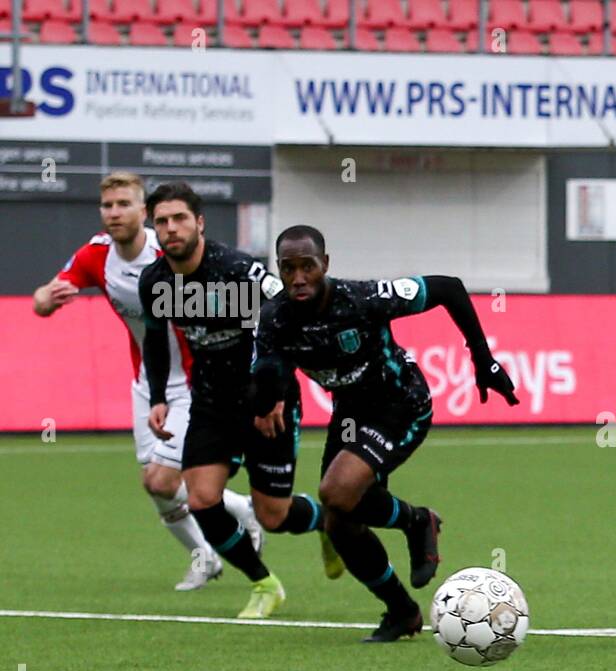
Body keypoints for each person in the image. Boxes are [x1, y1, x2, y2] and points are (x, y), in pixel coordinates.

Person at [250, 225, 519, 642]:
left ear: (326, 264)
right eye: (289, 269)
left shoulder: (362, 299)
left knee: (336, 493)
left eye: (308, 266)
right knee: (340, 523)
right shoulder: (274, 319)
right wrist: (267, 397)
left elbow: (449, 288)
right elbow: (269, 371)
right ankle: (402, 610)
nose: (299, 278)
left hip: (401, 404)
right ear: (279, 270)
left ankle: (415, 521)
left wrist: (483, 361)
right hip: (352, 414)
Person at [31, 171, 261, 591]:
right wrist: (45, 299)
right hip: (149, 383)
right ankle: (214, 543)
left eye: (124, 205)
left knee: (163, 479)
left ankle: (234, 521)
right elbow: (46, 297)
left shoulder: (169, 250)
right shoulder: (96, 255)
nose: (114, 213)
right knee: (158, 487)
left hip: (197, 379)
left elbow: (241, 303)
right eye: (108, 206)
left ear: (144, 212)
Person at [139, 182, 334, 620]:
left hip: (262, 398)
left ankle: (329, 522)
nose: (171, 228)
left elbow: (286, 316)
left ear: (199, 223)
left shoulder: (236, 270)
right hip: (211, 401)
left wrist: (277, 392)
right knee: (202, 497)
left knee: (273, 516)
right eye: (163, 221)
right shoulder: (156, 282)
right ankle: (265, 584)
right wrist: (157, 397)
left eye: (180, 219)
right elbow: (155, 341)